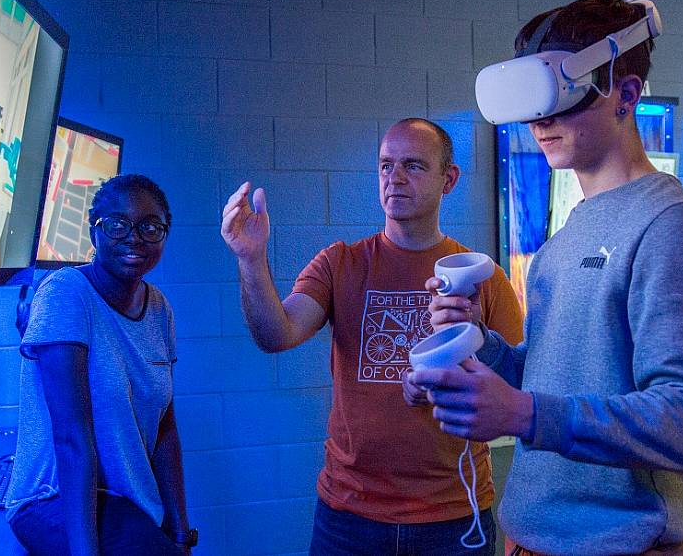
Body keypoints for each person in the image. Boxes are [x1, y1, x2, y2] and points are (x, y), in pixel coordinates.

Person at [412, 0, 683, 556]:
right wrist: (484, 344)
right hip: (528, 538)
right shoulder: (562, 242)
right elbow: (556, 380)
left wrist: (525, 414)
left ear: (627, 95)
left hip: (623, 545)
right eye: (534, 105)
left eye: (563, 99)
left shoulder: (678, 230)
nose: (541, 122)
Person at [221, 118, 524, 555]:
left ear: (449, 179)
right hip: (350, 516)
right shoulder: (340, 263)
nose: (395, 178)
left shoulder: (482, 277)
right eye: (386, 166)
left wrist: (450, 385)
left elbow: (516, 388)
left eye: (414, 166)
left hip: (452, 515)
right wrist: (250, 259)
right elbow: (276, 334)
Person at [6, 174, 194, 556]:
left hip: (128, 505)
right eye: (117, 225)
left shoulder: (159, 308)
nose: (134, 237)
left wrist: (180, 534)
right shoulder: (65, 294)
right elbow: (71, 440)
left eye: (150, 227)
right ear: (94, 233)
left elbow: (165, 430)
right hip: (54, 500)